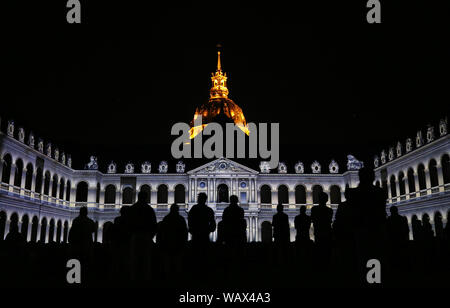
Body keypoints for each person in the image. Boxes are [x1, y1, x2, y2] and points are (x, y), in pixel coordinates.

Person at [128, 191, 157, 282]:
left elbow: (128, 224)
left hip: (135, 236)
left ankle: (134, 279)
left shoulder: (133, 208)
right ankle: (145, 280)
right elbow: (154, 225)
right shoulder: (149, 209)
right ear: (146, 198)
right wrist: (150, 236)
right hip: (146, 236)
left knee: (134, 260)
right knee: (146, 261)